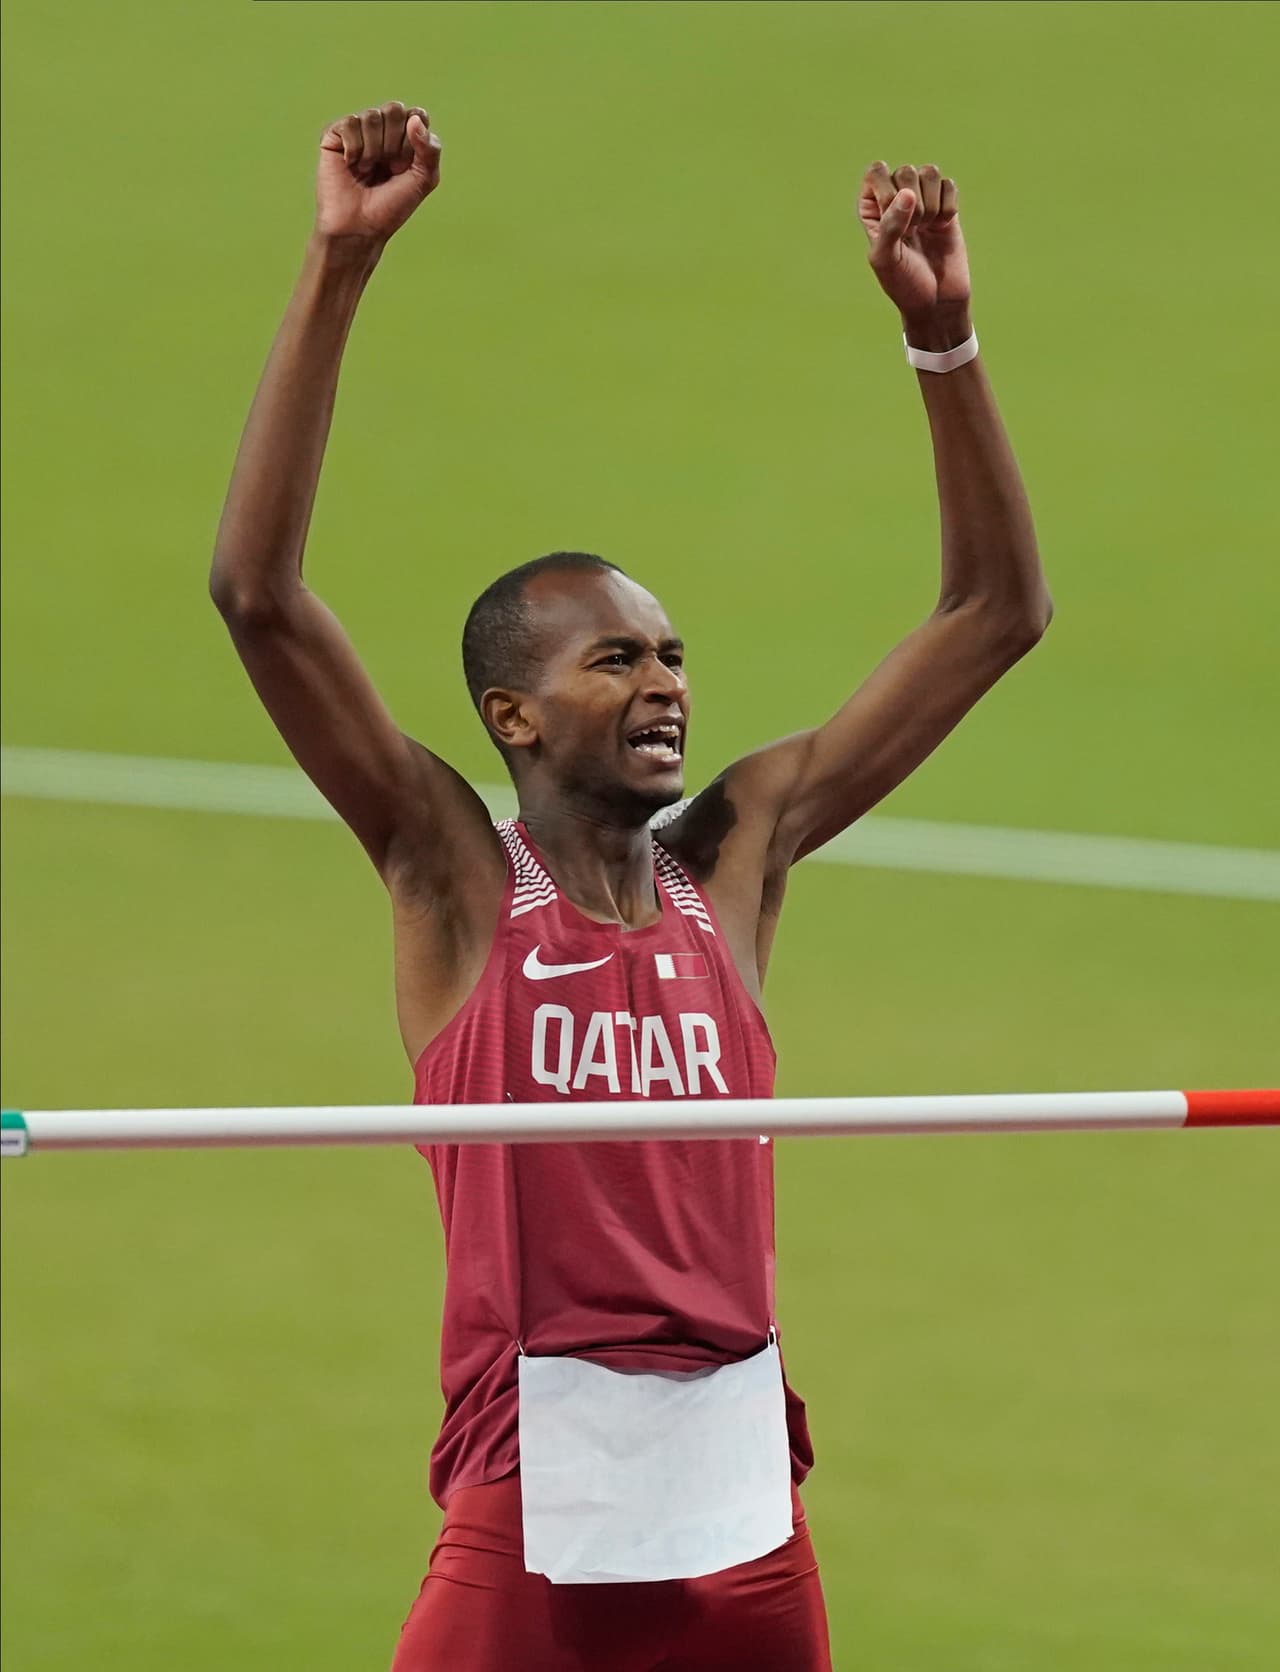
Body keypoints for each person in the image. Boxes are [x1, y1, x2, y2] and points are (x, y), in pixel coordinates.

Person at [211, 100, 1050, 1672]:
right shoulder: (454, 875)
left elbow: (998, 611)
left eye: (673, 655)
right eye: (617, 659)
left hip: (742, 1512)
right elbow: (258, 600)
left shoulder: (734, 861)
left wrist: (945, 344)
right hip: (534, 1506)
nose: (666, 682)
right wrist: (337, 271)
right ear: (511, 716)